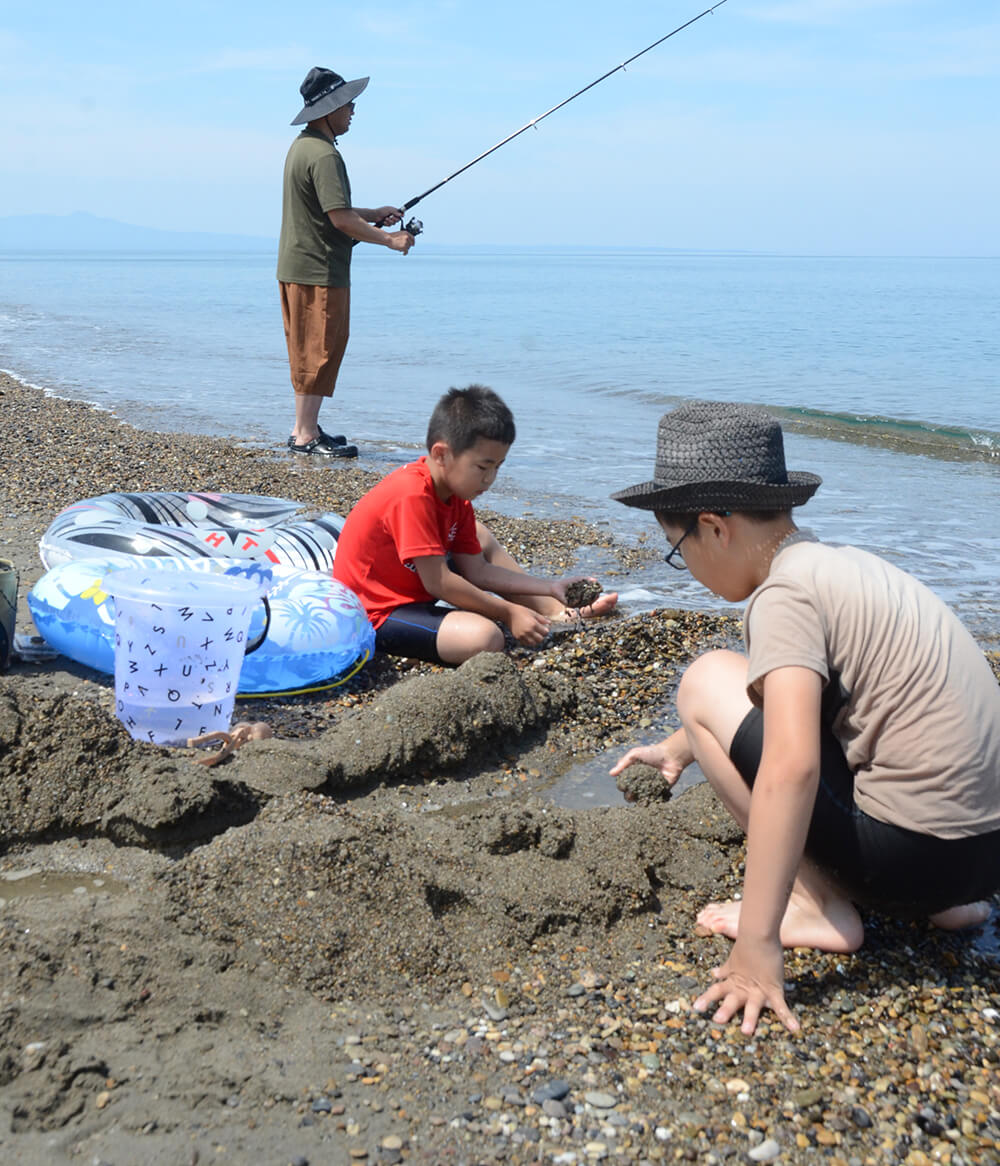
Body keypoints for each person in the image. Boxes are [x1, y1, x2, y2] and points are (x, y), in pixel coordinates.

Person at [609, 400, 1000, 1037]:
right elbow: (820, 707)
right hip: (981, 861)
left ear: (714, 527)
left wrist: (757, 950)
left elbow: (792, 765)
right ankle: (946, 908)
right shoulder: (846, 568)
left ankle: (815, 906)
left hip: (908, 862)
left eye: (678, 551)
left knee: (706, 677)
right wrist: (682, 747)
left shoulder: (783, 596)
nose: (691, 570)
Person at [332, 384, 617, 665]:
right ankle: (525, 613)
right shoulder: (411, 494)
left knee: (479, 536)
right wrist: (507, 612)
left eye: (498, 467)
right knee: (486, 638)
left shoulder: (456, 497)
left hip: (415, 590)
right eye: (482, 467)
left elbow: (477, 570)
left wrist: (550, 586)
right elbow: (439, 582)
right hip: (374, 612)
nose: (490, 479)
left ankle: (552, 609)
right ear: (441, 454)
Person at [277, 66, 414, 458]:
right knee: (317, 349)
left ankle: (306, 426)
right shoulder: (322, 155)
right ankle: (304, 435)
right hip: (316, 269)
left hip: (305, 266)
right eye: (346, 103)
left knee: (315, 347)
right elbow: (338, 219)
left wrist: (372, 214)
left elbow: (334, 210)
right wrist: (389, 238)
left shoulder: (305, 147)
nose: (352, 109)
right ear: (328, 110)